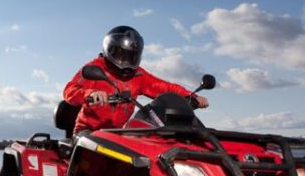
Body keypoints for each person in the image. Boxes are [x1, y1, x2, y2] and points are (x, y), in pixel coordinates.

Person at [63, 26, 209, 135]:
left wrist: (191, 96)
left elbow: (165, 87)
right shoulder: (95, 68)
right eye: (121, 55)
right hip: (89, 131)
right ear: (110, 51)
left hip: (118, 133)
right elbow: (69, 91)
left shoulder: (138, 75)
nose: (126, 61)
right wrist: (89, 93)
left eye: (131, 56)